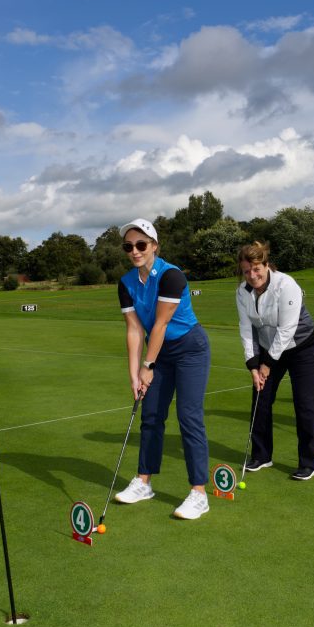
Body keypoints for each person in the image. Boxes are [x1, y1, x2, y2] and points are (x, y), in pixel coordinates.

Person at [113, 218, 211, 519]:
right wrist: (134, 374)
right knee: (151, 415)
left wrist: (147, 366)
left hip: (190, 348)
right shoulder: (126, 283)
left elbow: (160, 324)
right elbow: (133, 330)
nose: (135, 251)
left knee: (188, 415)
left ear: (154, 246)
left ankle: (199, 493)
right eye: (129, 246)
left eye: (141, 244)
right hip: (160, 352)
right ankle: (144, 482)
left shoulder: (172, 276)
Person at [236, 242, 314, 480]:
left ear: (266, 265)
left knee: (304, 404)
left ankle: (308, 461)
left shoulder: (287, 285)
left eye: (256, 269)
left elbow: (287, 330)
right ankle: (262, 455)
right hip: (268, 349)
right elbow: (246, 329)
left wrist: (266, 364)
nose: (252, 276)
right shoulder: (242, 292)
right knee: (260, 400)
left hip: (302, 347)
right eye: (246, 271)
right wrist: (253, 365)